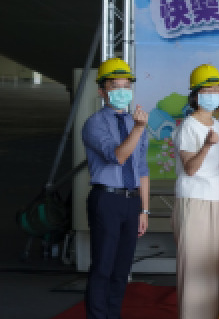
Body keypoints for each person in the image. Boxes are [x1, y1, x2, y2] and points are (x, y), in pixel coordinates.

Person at [81, 57, 150, 319]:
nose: (122, 91)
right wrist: (138, 129)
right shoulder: (95, 123)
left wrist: (144, 209)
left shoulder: (135, 123)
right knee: (103, 265)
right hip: (106, 199)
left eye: (126, 86)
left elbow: (142, 169)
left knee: (122, 269)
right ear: (102, 91)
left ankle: (113, 314)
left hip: (131, 201)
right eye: (115, 86)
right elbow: (118, 156)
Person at [172, 64, 219, 319]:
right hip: (194, 198)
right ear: (195, 95)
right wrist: (206, 145)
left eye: (217, 89)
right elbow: (190, 169)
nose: (213, 94)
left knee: (218, 265)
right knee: (195, 265)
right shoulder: (188, 126)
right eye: (206, 90)